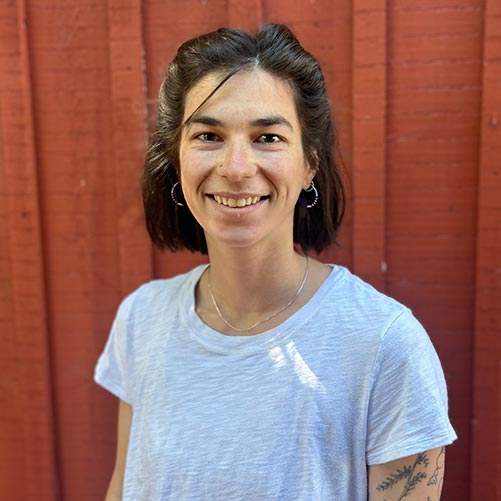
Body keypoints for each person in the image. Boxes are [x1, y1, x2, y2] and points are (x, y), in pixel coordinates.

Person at [94, 23, 457, 501]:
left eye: (267, 137)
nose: (236, 168)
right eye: (208, 135)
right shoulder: (141, 320)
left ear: (310, 164)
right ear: (176, 160)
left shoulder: (384, 346)